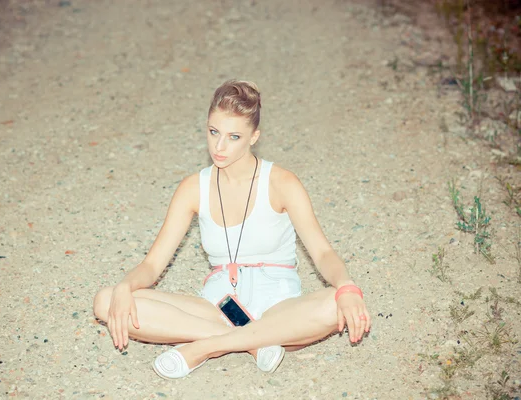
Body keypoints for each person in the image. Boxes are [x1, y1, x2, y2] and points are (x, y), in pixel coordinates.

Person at [93, 80, 371, 379]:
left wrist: (347, 287)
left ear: (254, 137)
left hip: (278, 307)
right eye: (214, 132)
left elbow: (323, 252)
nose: (219, 146)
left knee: (334, 303)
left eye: (234, 136)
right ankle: (253, 343)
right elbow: (152, 264)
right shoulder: (192, 188)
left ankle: (203, 348)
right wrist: (125, 286)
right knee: (107, 300)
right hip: (217, 308)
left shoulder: (282, 182)